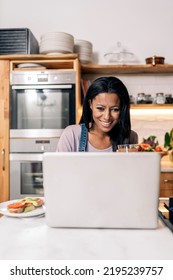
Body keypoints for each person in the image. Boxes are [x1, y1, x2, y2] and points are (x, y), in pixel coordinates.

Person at [56, 76, 138, 152]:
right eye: (100, 108)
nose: (107, 117)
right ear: (90, 104)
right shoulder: (72, 135)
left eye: (115, 109)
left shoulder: (130, 137)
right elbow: (60, 167)